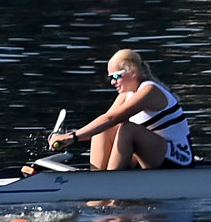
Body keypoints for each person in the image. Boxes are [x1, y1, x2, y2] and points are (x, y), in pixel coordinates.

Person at [47, 49, 194, 170]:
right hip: (151, 156)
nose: (112, 82)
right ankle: (97, 175)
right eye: (110, 77)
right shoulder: (126, 95)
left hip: (178, 157)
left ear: (133, 72)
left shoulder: (149, 90)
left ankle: (110, 181)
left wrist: (72, 137)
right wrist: (67, 137)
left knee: (127, 129)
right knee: (104, 128)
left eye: (116, 76)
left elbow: (112, 119)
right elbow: (104, 122)